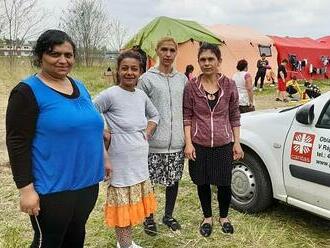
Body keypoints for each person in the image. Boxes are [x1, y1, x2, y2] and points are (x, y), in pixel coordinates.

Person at [5, 29, 109, 248]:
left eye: (68, 55)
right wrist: (26, 190)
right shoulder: (26, 92)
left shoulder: (79, 86)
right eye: (55, 54)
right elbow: (17, 144)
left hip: (87, 183)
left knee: (76, 235)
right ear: (40, 56)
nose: (63, 60)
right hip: (51, 188)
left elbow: (92, 128)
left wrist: (105, 157)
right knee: (49, 241)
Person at [93, 50, 159, 248]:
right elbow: (90, 110)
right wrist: (104, 129)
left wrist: (147, 132)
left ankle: (126, 242)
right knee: (122, 203)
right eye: (125, 69)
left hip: (138, 160)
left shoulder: (141, 95)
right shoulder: (110, 94)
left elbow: (155, 115)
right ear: (118, 71)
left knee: (131, 203)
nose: (129, 73)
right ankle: (124, 245)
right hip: (119, 159)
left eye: (134, 69)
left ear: (140, 72)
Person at [183, 42, 244, 237]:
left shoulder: (229, 84)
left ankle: (224, 217)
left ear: (219, 61)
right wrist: (189, 142)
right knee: (203, 182)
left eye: (211, 59)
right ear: (199, 61)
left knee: (224, 183)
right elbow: (187, 115)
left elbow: (234, 115)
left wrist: (236, 142)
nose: (207, 63)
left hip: (223, 142)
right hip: (199, 143)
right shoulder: (192, 85)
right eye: (203, 59)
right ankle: (207, 217)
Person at [137, 37, 187, 235]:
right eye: (164, 49)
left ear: (176, 53)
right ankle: (148, 218)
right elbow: (138, 109)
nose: (168, 54)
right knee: (150, 183)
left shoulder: (182, 79)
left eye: (172, 50)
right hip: (153, 143)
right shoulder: (147, 79)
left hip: (176, 142)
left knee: (173, 181)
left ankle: (168, 215)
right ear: (157, 51)